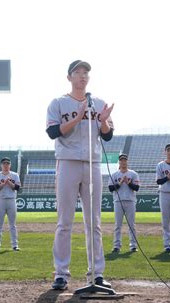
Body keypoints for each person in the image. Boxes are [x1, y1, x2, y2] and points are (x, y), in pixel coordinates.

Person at [46, 60, 115, 290]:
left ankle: (96, 274)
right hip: (67, 162)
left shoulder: (99, 103)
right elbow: (53, 132)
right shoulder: (58, 102)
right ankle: (61, 274)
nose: (82, 76)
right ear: (69, 77)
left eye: (85, 72)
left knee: (93, 222)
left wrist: (103, 119)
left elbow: (107, 136)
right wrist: (78, 117)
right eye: (77, 72)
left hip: (93, 163)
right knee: (64, 221)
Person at [108, 153, 140, 253]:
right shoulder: (115, 174)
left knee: (131, 225)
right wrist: (120, 182)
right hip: (118, 201)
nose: (123, 162)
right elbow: (110, 188)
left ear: (127, 161)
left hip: (130, 200)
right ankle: (117, 246)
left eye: (125, 160)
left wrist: (128, 182)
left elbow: (137, 188)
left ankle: (133, 246)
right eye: (121, 160)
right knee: (118, 225)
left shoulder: (133, 174)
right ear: (119, 162)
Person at [0, 157, 21, 252]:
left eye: (7, 163)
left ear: (10, 165)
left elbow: (17, 187)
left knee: (12, 225)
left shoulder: (15, 175)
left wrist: (9, 182)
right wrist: (3, 183)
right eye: (4, 163)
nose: (6, 165)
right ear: (1, 165)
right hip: (1, 200)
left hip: (12, 200)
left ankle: (15, 245)